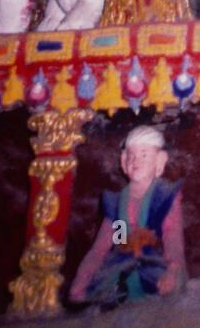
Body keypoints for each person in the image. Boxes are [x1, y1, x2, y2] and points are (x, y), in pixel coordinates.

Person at [69, 125, 186, 306]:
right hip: (120, 267)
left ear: (160, 160)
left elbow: (173, 238)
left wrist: (173, 270)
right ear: (123, 161)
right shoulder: (118, 203)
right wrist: (81, 281)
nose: (135, 161)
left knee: (158, 288)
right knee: (109, 288)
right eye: (131, 155)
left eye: (144, 155)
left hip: (151, 267)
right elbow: (106, 245)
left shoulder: (164, 196)